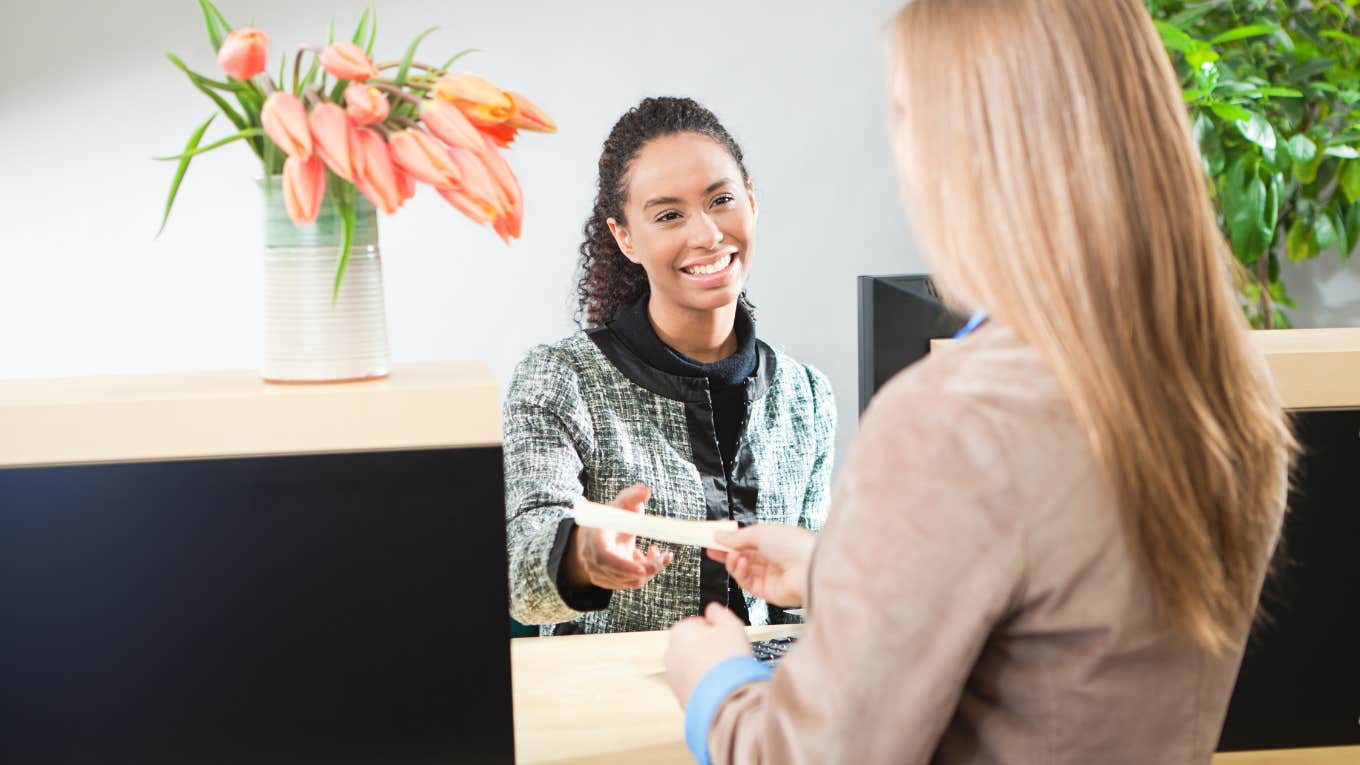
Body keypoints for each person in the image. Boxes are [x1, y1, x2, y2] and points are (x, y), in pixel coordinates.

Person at [663, 0, 1295, 762]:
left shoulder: (955, 417)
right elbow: (1062, 623)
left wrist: (715, 679)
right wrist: (837, 568)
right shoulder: (1220, 387)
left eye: (904, 116)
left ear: (971, 150)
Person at [503, 97, 836, 635]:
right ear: (625, 237)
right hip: (614, 708)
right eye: (668, 216)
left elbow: (805, 606)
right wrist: (582, 556)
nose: (705, 234)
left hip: (760, 705)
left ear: (751, 201)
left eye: (722, 200)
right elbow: (521, 576)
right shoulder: (561, 379)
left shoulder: (807, 395)